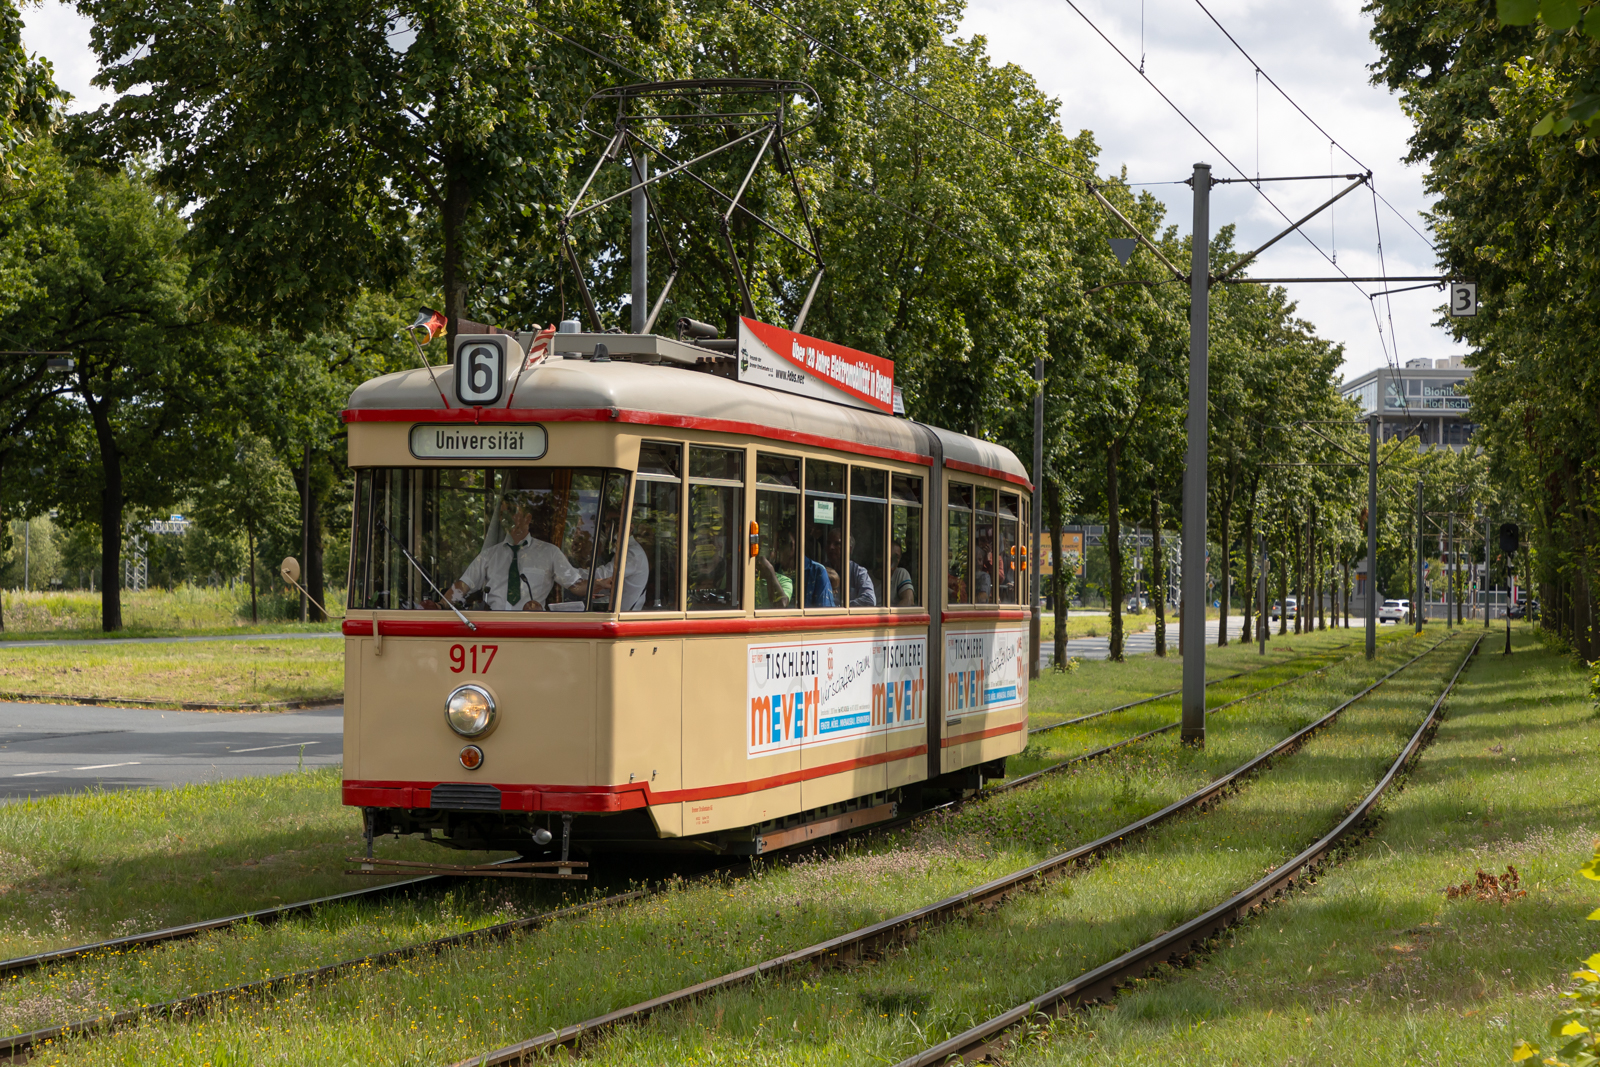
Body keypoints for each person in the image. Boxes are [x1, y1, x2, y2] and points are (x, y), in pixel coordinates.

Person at [426, 493, 584, 611]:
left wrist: (601, 584)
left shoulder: (549, 552)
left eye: (512, 513)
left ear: (527, 519)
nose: (506, 518)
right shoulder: (489, 555)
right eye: (503, 514)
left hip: (533, 630)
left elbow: (575, 586)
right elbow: (463, 585)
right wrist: (440, 605)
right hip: (496, 628)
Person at [889, 539, 916, 607]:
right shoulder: (867, 576)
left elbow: (909, 600)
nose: (893, 560)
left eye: (896, 557)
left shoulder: (900, 573)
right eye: (890, 555)